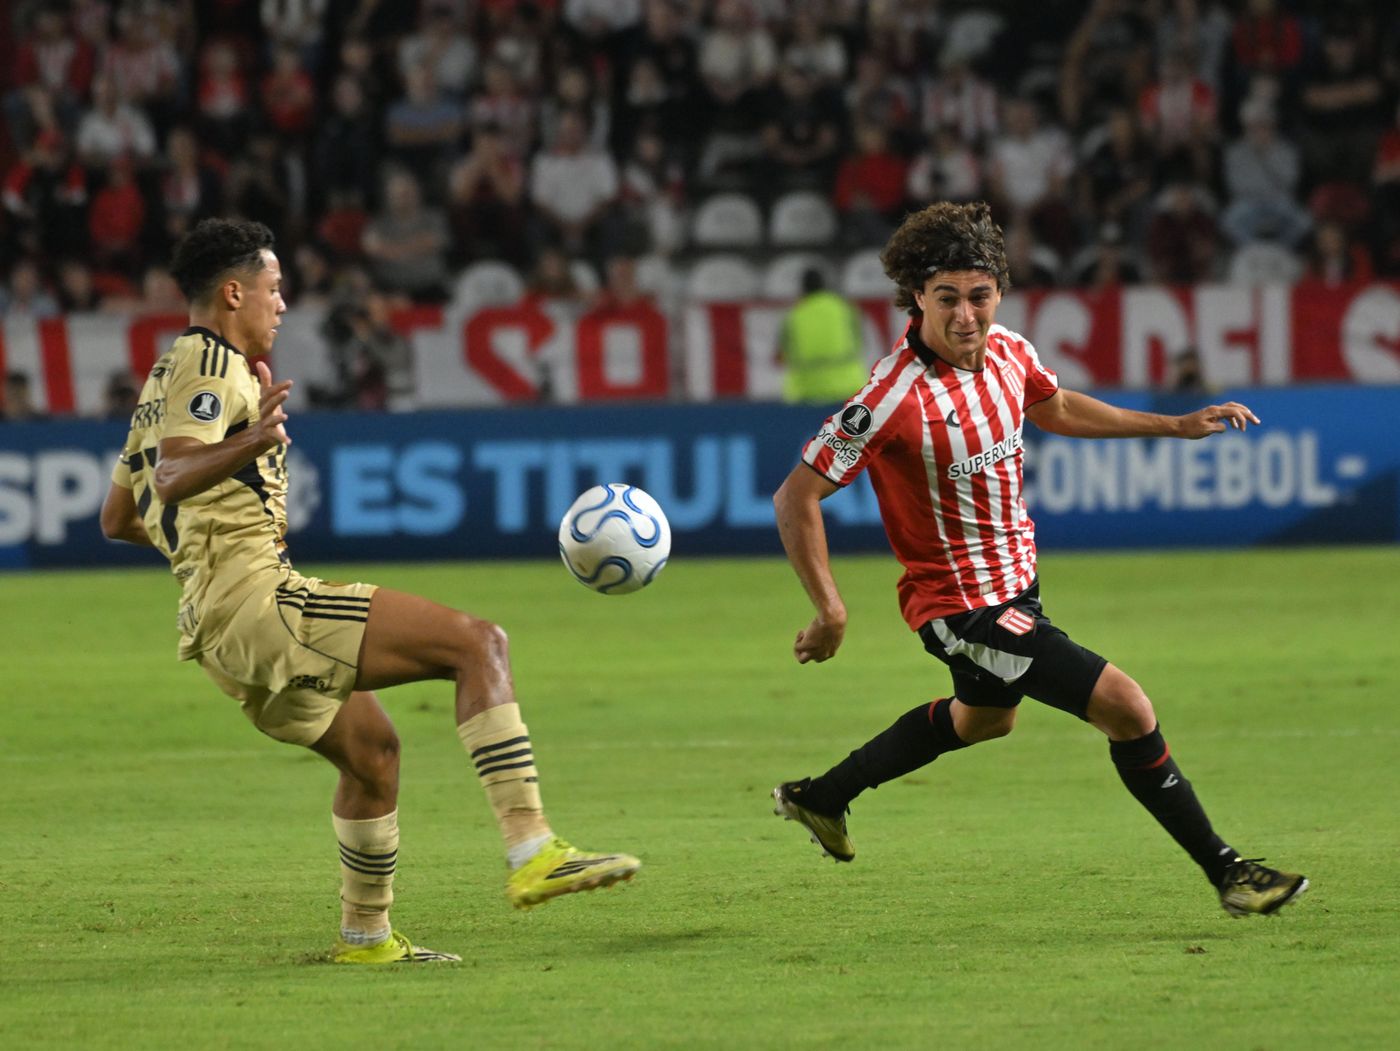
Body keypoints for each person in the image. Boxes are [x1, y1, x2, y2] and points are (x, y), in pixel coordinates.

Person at [99, 219, 639, 965]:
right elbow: (172, 475)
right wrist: (254, 442)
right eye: (273, 288)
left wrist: (200, 556)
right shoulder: (209, 359)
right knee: (478, 643)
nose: (282, 303)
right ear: (233, 292)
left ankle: (366, 937)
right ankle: (533, 848)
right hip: (258, 602)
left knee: (373, 754)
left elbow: (119, 517)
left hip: (217, 626)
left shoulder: (163, 376)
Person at [769, 201, 1307, 918]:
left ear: (999, 291)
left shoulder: (1009, 352)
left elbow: (1056, 408)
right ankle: (1230, 872)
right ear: (917, 296)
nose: (966, 315)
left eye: (979, 295)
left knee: (985, 719)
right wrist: (830, 608)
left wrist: (1174, 424)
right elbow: (795, 496)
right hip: (963, 608)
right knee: (1127, 707)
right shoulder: (891, 397)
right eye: (947, 298)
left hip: (1018, 588)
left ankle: (823, 796)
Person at [777, 268, 868, 404]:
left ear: (802, 289)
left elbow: (782, 356)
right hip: (848, 386)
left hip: (807, 392)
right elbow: (860, 340)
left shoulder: (794, 315)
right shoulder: (843, 308)